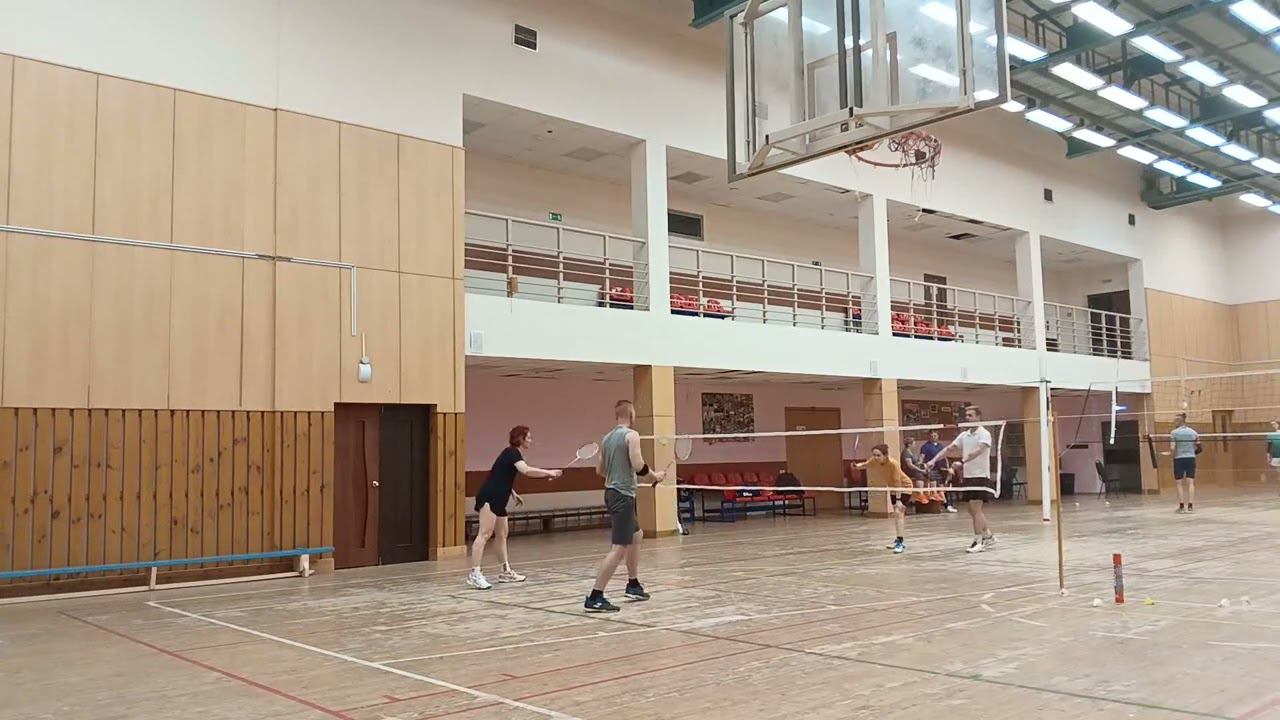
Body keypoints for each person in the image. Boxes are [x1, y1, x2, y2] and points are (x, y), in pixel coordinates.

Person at [585, 400, 665, 612]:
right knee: (619, 548)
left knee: (637, 536)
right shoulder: (632, 435)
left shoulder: (607, 438)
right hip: (622, 496)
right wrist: (655, 476)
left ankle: (633, 584)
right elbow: (638, 465)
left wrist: (619, 471)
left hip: (613, 493)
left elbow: (600, 471)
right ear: (631, 415)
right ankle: (595, 596)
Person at [467, 426, 562, 590]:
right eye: (529, 438)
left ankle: (506, 572)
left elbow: (500, 475)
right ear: (520, 438)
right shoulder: (512, 452)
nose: (531, 441)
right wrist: (549, 473)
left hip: (500, 498)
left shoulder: (510, 454)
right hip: (490, 497)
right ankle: (474, 574)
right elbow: (526, 470)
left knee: (502, 534)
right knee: (484, 534)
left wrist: (512, 492)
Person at [927, 406, 995, 553]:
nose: (968, 418)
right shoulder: (964, 435)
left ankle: (979, 541)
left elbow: (979, 451)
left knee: (976, 508)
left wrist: (962, 462)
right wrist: (933, 460)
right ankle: (988, 536)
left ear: (978, 417)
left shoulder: (984, 434)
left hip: (980, 476)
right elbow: (949, 449)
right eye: (967, 416)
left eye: (971, 415)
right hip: (968, 476)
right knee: (972, 509)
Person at [857, 443, 914, 553]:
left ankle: (900, 543)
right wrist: (857, 466)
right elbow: (866, 464)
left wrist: (898, 500)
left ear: (885, 455)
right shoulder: (874, 460)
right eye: (874, 455)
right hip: (893, 488)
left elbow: (897, 482)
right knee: (896, 514)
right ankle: (897, 539)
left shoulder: (893, 464)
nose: (875, 457)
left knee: (898, 512)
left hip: (904, 487)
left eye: (878, 455)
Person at [920, 430, 958, 513]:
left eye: (935, 436)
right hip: (932, 470)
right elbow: (921, 458)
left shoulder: (940, 446)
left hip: (942, 469)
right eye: (932, 436)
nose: (934, 437)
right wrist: (923, 466)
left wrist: (948, 467)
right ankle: (946, 505)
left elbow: (944, 456)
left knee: (943, 487)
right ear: (929, 437)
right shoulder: (925, 446)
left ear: (938, 436)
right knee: (937, 488)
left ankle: (947, 504)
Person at [1170, 413, 1200, 513]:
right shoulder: (1194, 432)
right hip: (1191, 459)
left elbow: (1172, 448)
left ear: (1180, 421)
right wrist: (1191, 453)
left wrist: (1171, 455)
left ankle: (1182, 507)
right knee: (1190, 482)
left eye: (1175, 420)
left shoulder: (1174, 433)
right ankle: (1190, 506)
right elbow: (1199, 448)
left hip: (1179, 459)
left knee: (1179, 483)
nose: (1174, 422)